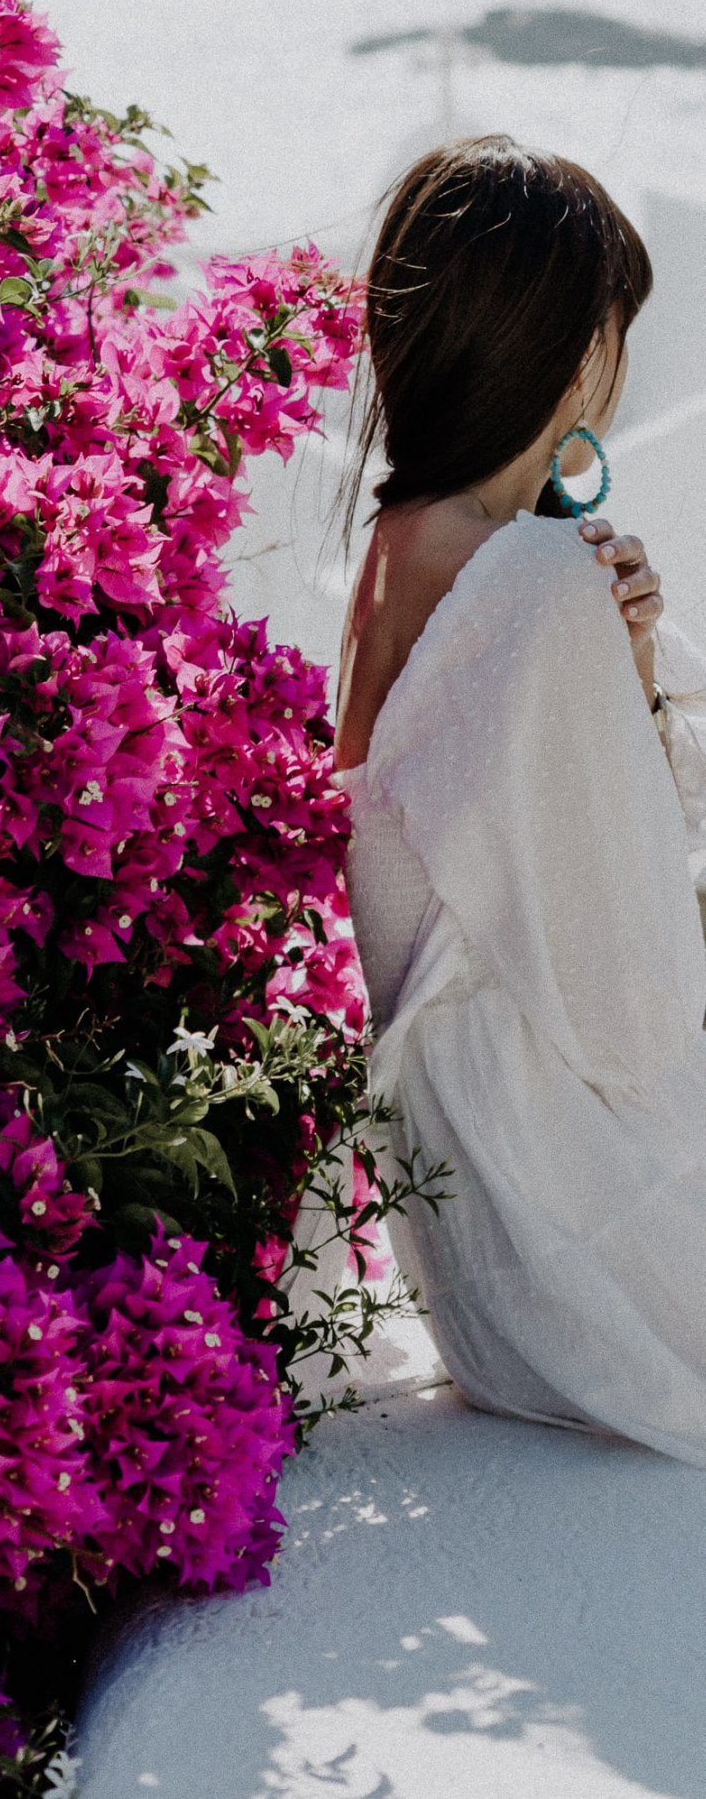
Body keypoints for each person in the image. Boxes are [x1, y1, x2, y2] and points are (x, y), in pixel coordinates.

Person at [331, 133, 706, 1460]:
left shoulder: (395, 548)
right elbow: (632, 998)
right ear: (572, 344)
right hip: (590, 1224)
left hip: (479, 1244)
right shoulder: (537, 579)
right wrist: (620, 671)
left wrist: (620, 667)